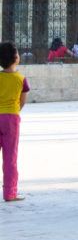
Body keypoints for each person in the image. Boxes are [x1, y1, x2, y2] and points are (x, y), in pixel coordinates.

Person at [0, 41, 30, 202]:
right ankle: (10, 193)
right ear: (16, 58)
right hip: (11, 118)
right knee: (10, 157)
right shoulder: (21, 79)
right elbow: (22, 101)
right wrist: (14, 111)